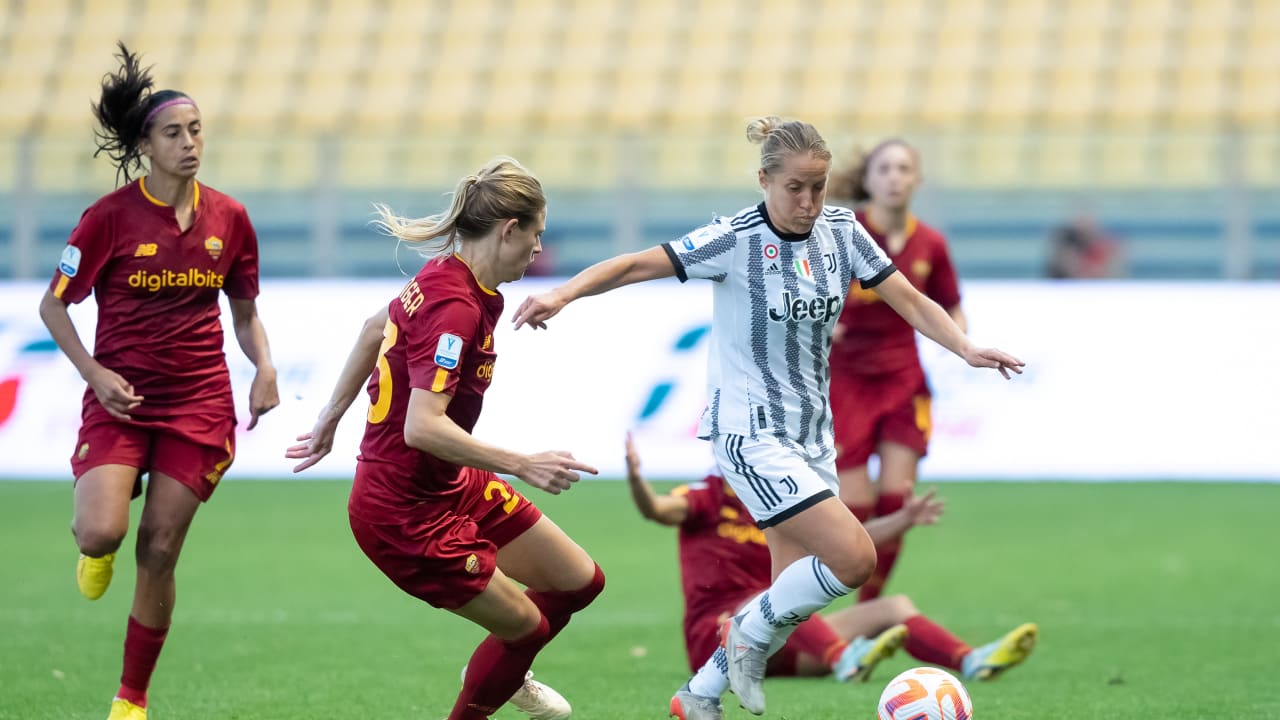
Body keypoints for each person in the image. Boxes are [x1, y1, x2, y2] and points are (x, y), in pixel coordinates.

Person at [512, 116, 1023, 718]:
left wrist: (965, 347)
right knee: (853, 561)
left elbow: (906, 298)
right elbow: (632, 264)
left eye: (820, 186)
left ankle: (699, 694)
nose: (808, 202)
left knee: (789, 595)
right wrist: (562, 294)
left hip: (813, 435)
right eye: (795, 188)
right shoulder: (733, 239)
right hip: (750, 433)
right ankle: (744, 640)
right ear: (764, 180)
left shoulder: (845, 232)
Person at [285, 157, 604, 720]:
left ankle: (503, 662)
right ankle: (500, 670)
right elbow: (422, 426)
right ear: (509, 230)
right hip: (401, 512)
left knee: (580, 580)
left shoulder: (450, 277)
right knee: (526, 625)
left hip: (447, 483)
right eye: (536, 235)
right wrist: (522, 462)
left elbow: (370, 328)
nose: (537, 249)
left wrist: (329, 418)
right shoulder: (454, 306)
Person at [36, 44, 279, 720]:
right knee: (102, 535)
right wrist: (95, 373)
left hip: (198, 402)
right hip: (119, 401)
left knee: (161, 547)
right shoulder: (108, 218)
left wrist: (264, 366)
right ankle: (102, 530)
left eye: (197, 129)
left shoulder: (230, 219)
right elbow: (52, 304)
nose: (190, 142)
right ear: (144, 144)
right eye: (174, 132)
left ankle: (130, 699)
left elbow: (246, 312)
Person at [623, 434, 1037, 711]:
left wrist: (902, 519)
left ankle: (969, 660)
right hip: (715, 634)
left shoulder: (778, 496)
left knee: (892, 606)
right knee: (765, 600)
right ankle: (845, 657)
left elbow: (847, 543)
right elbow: (657, 510)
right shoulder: (705, 496)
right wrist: (638, 479)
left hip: (781, 633)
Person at [825, 139, 965, 601]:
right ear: (868, 180)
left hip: (903, 378)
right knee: (855, 506)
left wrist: (957, 343)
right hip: (846, 380)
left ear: (916, 179)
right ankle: (839, 605)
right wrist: (823, 326)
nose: (893, 177)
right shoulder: (841, 234)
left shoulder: (931, 244)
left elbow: (949, 306)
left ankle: (867, 616)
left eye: (903, 168)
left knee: (896, 499)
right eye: (883, 168)